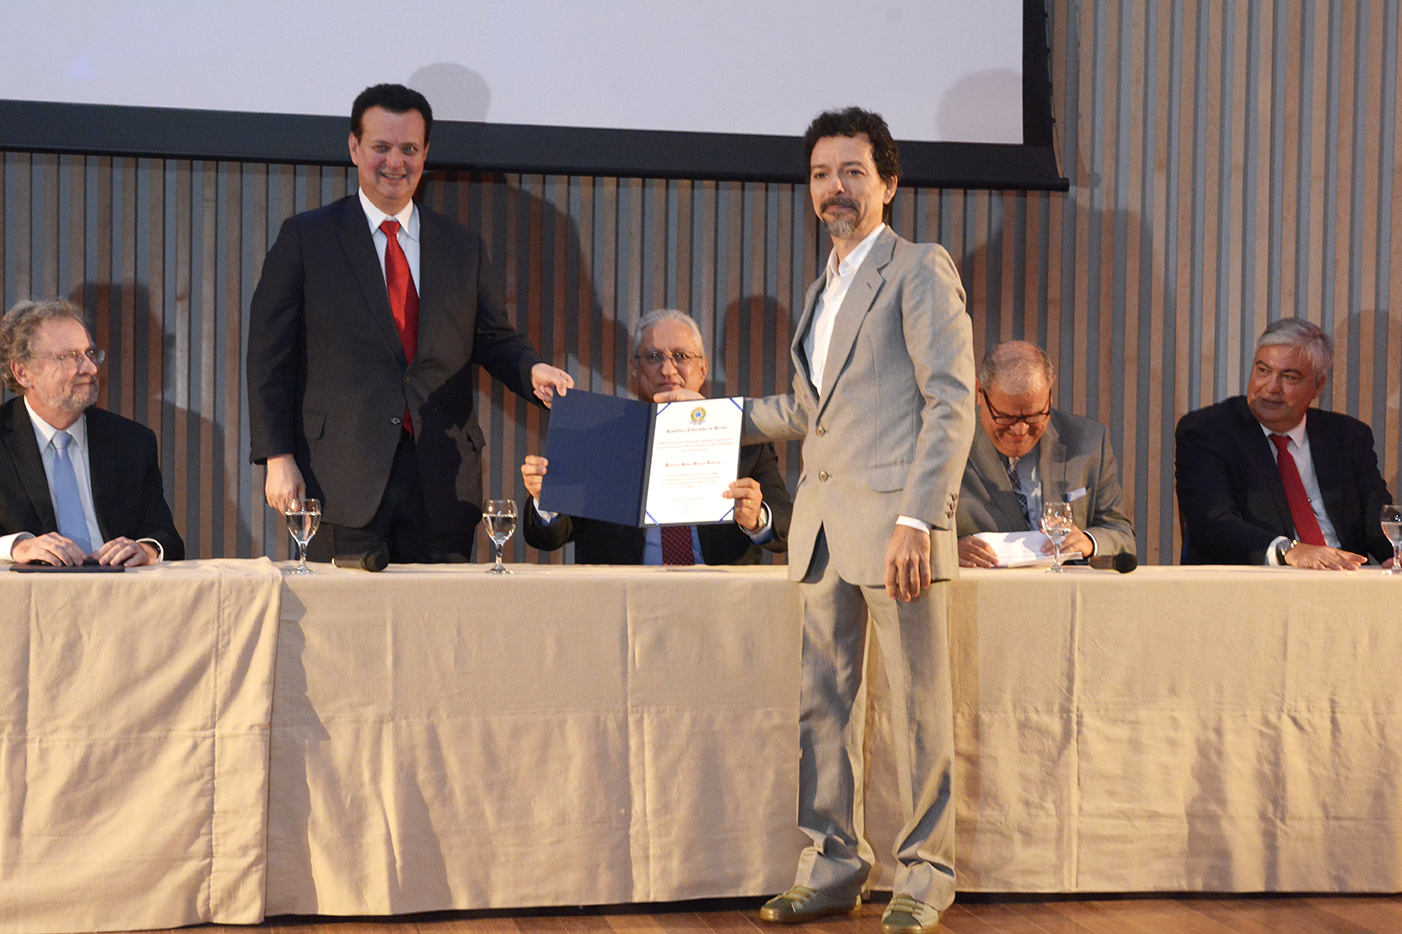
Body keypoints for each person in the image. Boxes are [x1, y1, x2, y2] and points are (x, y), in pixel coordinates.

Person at [663, 108, 974, 934]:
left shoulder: (918, 270)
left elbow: (950, 405)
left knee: (917, 710)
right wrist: (704, 415)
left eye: (852, 172)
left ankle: (927, 875)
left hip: (899, 531)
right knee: (824, 711)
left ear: (889, 183)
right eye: (821, 175)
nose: (835, 189)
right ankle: (834, 866)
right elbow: (804, 409)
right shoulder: (822, 287)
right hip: (825, 532)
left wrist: (919, 518)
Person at [246, 83, 573, 562]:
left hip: (442, 485)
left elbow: (494, 339)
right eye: (381, 147)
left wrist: (530, 370)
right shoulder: (306, 238)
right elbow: (268, 357)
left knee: (438, 633)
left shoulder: (462, 246)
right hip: (338, 482)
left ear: (426, 154)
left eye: (409, 149)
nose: (395, 162)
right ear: (354, 148)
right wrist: (278, 457)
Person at [520, 309, 791, 564]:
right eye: (653, 357)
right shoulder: (599, 438)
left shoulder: (741, 435)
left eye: (681, 356)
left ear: (703, 369)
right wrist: (547, 499)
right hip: (622, 597)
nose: (668, 370)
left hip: (719, 596)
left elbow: (786, 525)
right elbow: (548, 537)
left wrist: (757, 518)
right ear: (635, 370)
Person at [1176, 317, 1394, 568]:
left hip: (1345, 582)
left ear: (1318, 385)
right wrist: (1288, 550)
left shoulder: (1347, 437)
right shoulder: (1208, 431)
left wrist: (1395, 553)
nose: (1270, 387)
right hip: (1256, 587)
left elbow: (1379, 521)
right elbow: (1214, 524)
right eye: (1263, 370)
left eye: (1289, 377)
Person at [0, 298, 183, 565]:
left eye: (90, 353)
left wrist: (147, 550)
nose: (91, 368)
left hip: (117, 594)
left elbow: (166, 537)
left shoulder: (132, 441)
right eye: (69, 357)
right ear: (23, 372)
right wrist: (15, 547)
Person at [956, 341, 1134, 566]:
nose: (1020, 430)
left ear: (1049, 394)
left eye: (1033, 416)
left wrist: (1088, 541)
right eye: (1006, 417)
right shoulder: (948, 443)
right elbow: (907, 530)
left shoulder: (1087, 442)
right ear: (980, 393)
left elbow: (1121, 533)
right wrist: (949, 551)